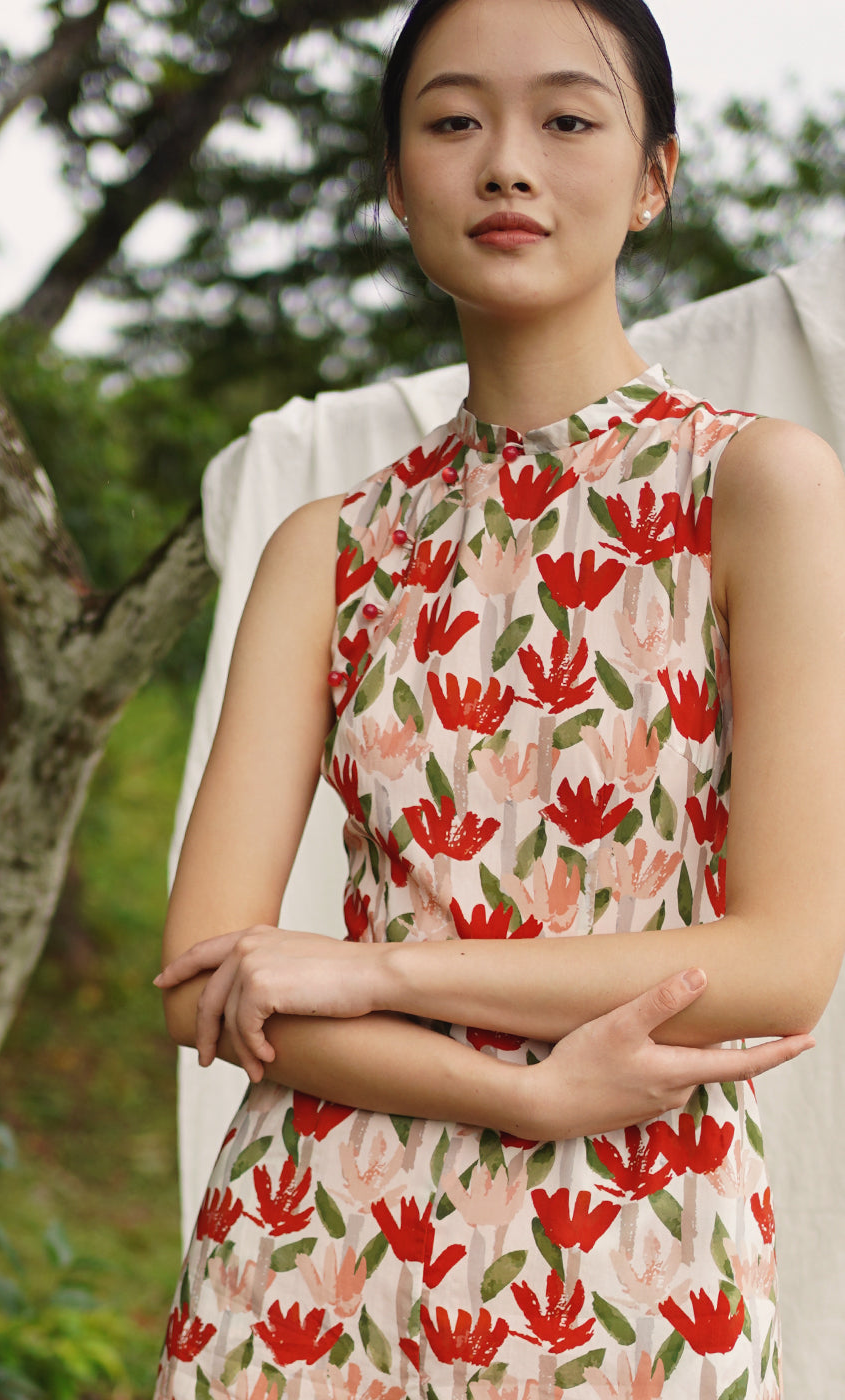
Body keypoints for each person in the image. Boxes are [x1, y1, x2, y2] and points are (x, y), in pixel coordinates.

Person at [152, 2, 845, 1396]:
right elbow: (199, 981)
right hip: (308, 1252)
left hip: (640, 1246)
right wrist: (523, 1092)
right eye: (453, 121)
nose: (507, 164)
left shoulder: (756, 488)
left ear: (654, 175)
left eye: (568, 120)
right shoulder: (329, 545)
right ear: (395, 182)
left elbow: (776, 961)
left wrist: (378, 969)